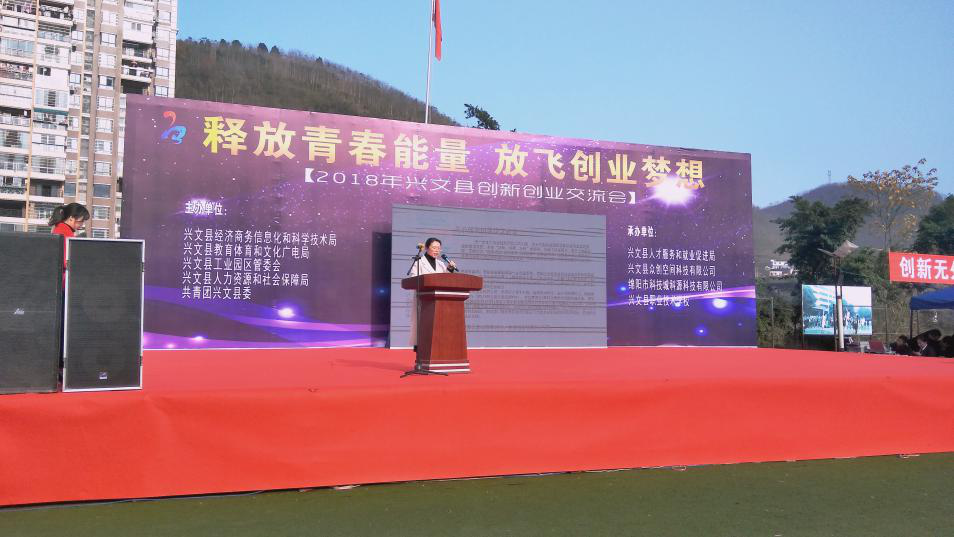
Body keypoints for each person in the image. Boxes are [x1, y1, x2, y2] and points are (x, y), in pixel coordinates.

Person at [408, 238, 457, 348]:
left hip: (439, 302)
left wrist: (449, 270)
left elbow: (445, 281)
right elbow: (413, 278)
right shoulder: (419, 262)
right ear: (426, 248)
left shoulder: (441, 264)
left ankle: (437, 348)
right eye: (434, 247)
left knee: (438, 327)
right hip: (424, 300)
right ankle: (421, 350)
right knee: (423, 327)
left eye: (439, 248)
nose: (437, 250)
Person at [49, 202, 89, 271]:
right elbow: (67, 261)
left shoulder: (60, 228)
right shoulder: (65, 232)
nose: (82, 224)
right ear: (71, 218)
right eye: (81, 221)